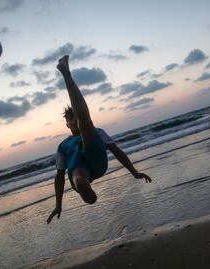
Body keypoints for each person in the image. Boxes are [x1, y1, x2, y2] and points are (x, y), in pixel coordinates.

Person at [47, 55, 152, 224]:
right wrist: (58, 204)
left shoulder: (97, 131)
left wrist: (134, 171)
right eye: (70, 120)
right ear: (66, 125)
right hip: (80, 169)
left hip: (96, 160)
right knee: (78, 178)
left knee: (86, 127)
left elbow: (116, 151)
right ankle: (83, 186)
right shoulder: (62, 146)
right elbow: (59, 175)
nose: (73, 121)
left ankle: (66, 74)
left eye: (75, 117)